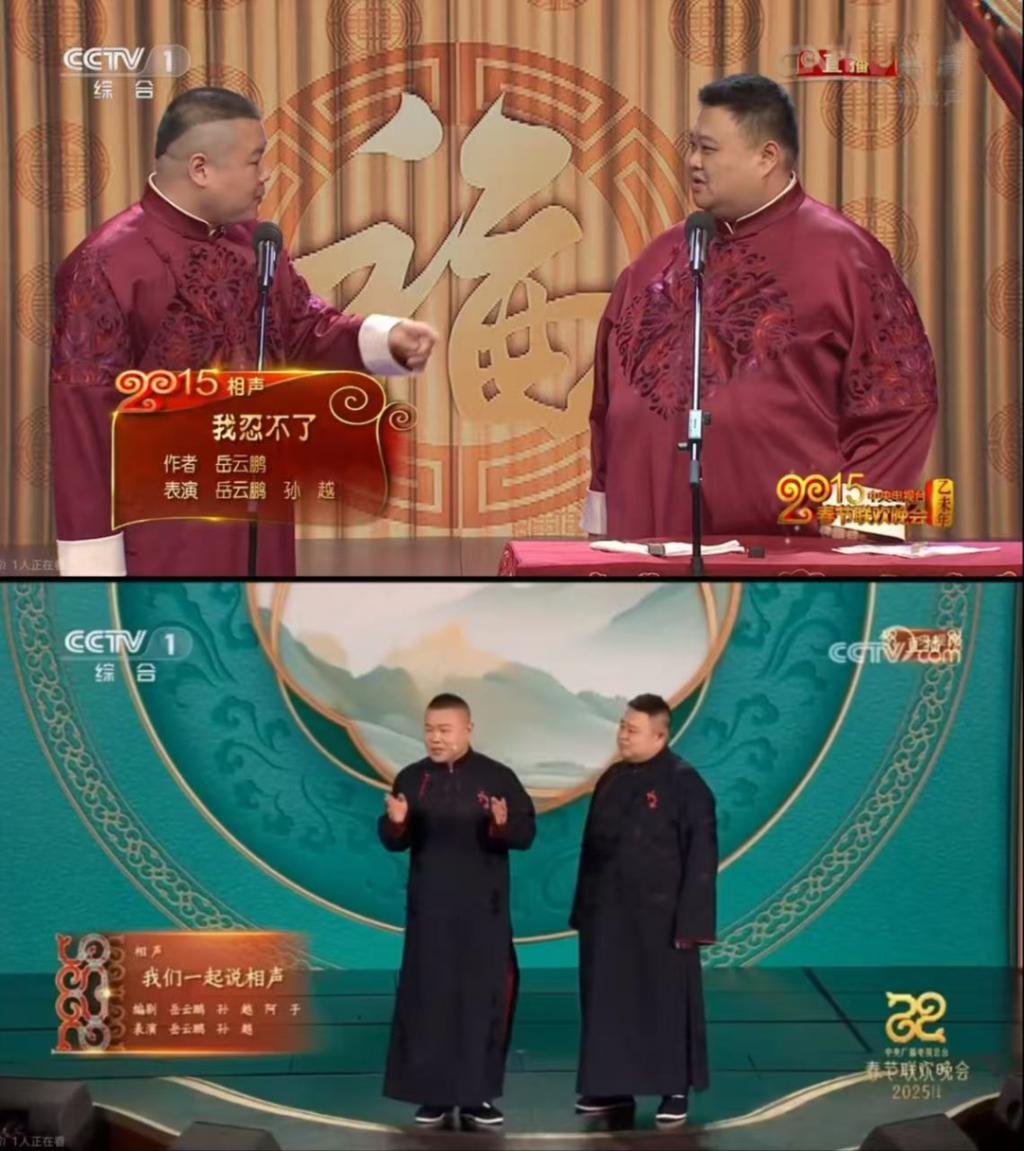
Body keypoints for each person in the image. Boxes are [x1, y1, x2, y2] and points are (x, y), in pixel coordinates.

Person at [50, 86, 438, 577]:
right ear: (201, 169)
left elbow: (303, 331)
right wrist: (92, 575)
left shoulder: (256, 245)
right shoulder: (105, 264)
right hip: (167, 532)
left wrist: (385, 340)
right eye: (254, 161)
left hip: (259, 505)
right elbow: (83, 424)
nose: (265, 175)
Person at [584, 73, 938, 542]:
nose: (693, 162)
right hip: (647, 536)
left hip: (790, 548)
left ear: (766, 156)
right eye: (693, 147)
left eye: (709, 149)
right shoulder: (659, 259)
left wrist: (861, 511)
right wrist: (603, 511)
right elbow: (607, 395)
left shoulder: (846, 257)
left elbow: (904, 398)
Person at [379, 692, 535, 1129]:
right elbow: (392, 840)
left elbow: (526, 834)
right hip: (429, 914)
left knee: (480, 1003)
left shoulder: (497, 777)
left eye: (444, 730)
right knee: (429, 1001)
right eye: (429, 729)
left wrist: (503, 824)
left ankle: (476, 1096)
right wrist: (396, 821)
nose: (435, 738)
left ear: (468, 729)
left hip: (483, 914)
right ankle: (432, 1094)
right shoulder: (411, 778)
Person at [570, 693, 717, 1127]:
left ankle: (675, 1090)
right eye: (621, 726)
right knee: (608, 1000)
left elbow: (702, 857)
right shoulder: (611, 779)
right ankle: (612, 1087)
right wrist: (584, 910)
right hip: (607, 917)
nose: (622, 735)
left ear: (660, 736)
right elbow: (591, 850)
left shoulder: (685, 783)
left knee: (664, 1003)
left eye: (632, 730)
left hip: (663, 921)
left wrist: (692, 923)